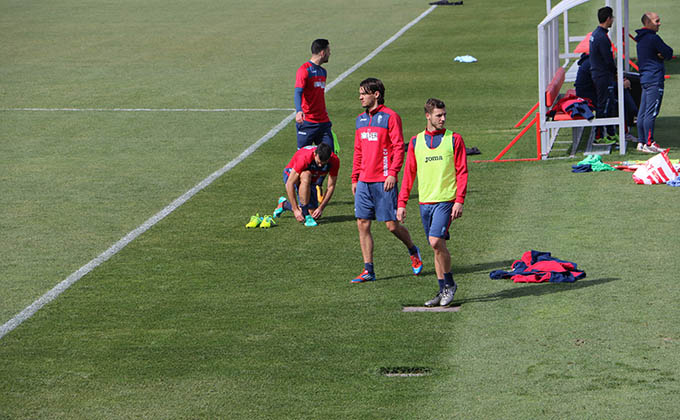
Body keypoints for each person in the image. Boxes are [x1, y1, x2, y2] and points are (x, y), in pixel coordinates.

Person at [350, 78, 423, 283]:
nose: (360, 97)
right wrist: (355, 177)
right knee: (362, 223)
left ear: (376, 94)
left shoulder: (391, 117)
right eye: (360, 93)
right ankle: (368, 270)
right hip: (364, 180)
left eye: (364, 93)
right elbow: (358, 151)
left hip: (384, 180)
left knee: (392, 225)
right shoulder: (360, 120)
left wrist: (392, 172)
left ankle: (412, 250)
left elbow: (399, 147)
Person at [397, 98, 468, 307]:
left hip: (446, 200)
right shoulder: (416, 142)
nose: (443, 119)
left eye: (444, 114)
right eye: (439, 115)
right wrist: (402, 203)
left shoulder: (454, 139)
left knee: (436, 242)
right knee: (436, 246)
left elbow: (462, 172)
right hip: (425, 202)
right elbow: (409, 174)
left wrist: (459, 201)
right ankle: (441, 290)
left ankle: (450, 284)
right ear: (428, 116)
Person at [575, 52, 639, 145]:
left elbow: (607, 79)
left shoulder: (596, 60)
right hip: (586, 95)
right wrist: (620, 84)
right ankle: (599, 137)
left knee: (615, 96)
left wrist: (621, 79)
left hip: (594, 91)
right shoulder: (593, 64)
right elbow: (603, 83)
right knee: (609, 101)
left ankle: (614, 133)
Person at [273, 143, 339, 227]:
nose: (320, 165)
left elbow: (331, 186)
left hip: (311, 178)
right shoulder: (304, 158)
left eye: (323, 163)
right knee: (306, 174)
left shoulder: (334, 161)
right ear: (315, 154)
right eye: (319, 162)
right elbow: (290, 183)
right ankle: (306, 214)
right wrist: (295, 209)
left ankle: (284, 204)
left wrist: (321, 208)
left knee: (314, 214)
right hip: (292, 174)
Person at [635, 12, 673, 153]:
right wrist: (661, 55)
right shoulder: (653, 39)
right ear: (648, 23)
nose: (659, 23)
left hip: (645, 78)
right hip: (654, 79)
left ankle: (641, 142)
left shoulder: (641, 39)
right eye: (657, 21)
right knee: (651, 112)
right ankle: (649, 143)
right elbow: (669, 52)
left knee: (643, 112)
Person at [294, 39, 334, 152]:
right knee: (302, 158)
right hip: (308, 122)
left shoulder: (323, 72)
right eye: (328, 50)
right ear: (322, 52)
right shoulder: (304, 70)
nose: (330, 53)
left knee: (329, 156)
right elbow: (298, 92)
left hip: (323, 122)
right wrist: (298, 111)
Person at [589, 6, 619, 145]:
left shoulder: (597, 34)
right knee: (604, 105)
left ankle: (611, 133)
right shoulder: (602, 37)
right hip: (602, 76)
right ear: (608, 19)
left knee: (609, 103)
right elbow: (608, 60)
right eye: (612, 17)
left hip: (598, 74)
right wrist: (615, 73)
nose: (613, 20)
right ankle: (599, 136)